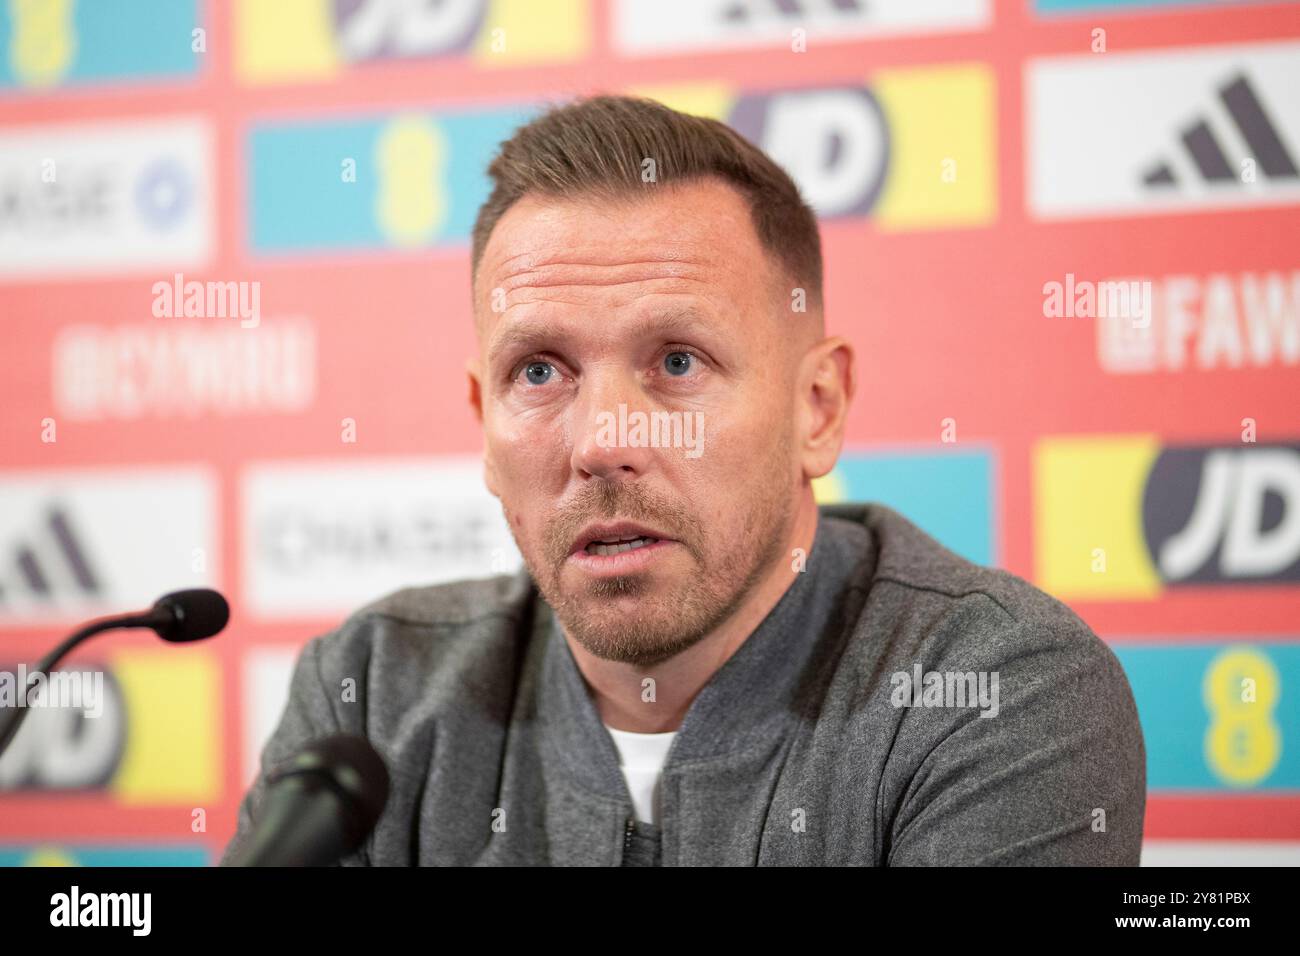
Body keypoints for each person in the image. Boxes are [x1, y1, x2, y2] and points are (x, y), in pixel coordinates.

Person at [221, 95, 1146, 866]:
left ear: (817, 408)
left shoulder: (993, 690)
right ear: (484, 428)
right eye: (539, 371)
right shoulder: (373, 693)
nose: (602, 442)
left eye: (677, 362)